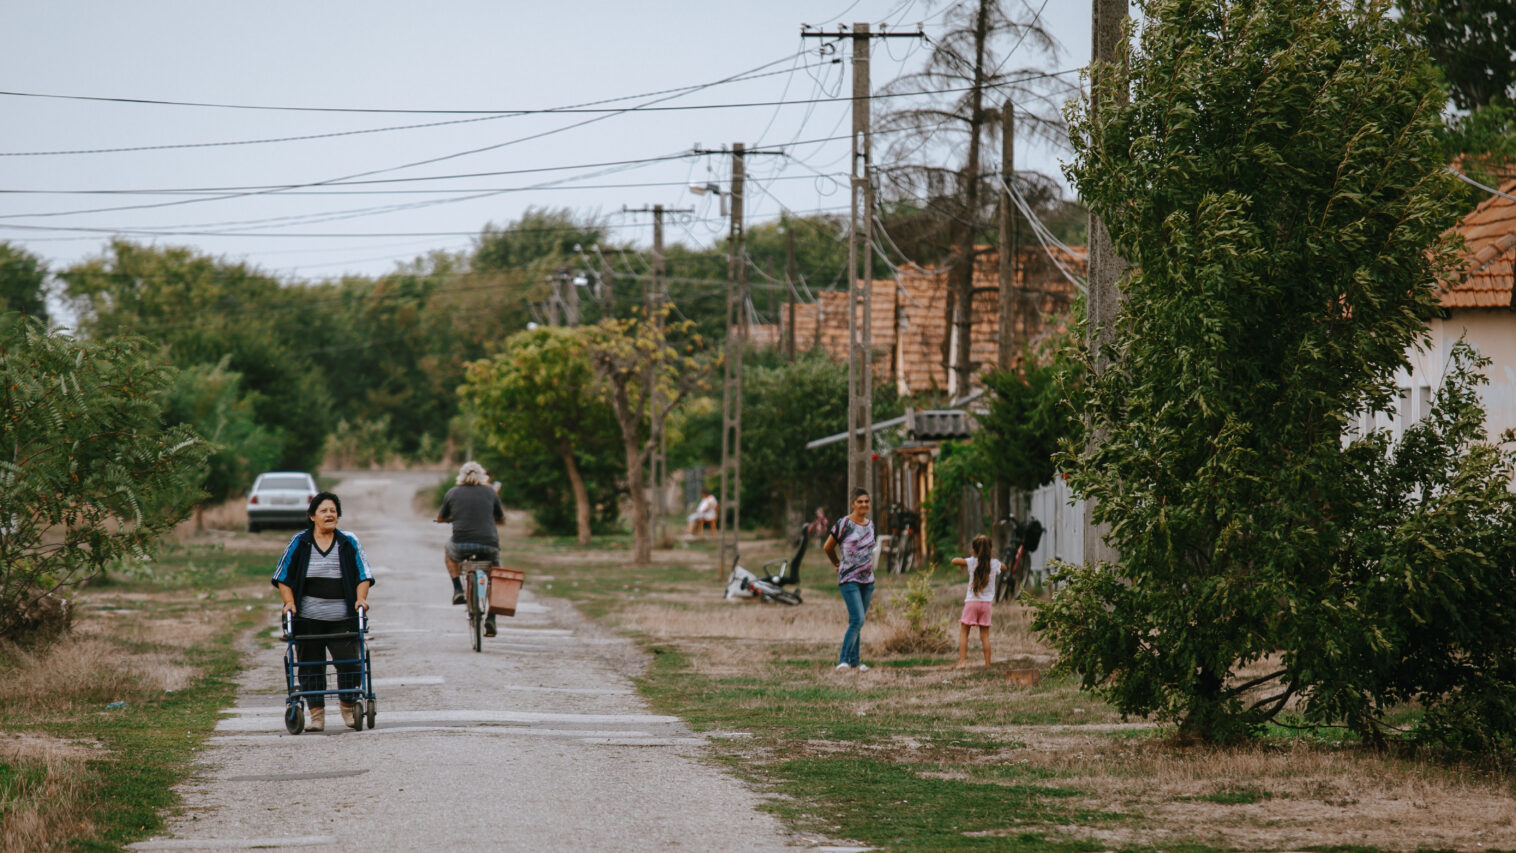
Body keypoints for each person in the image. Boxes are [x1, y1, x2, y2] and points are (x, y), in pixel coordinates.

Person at [271, 492, 375, 732]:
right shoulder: (300, 542)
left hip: (342, 618)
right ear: (312, 516)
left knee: (350, 663)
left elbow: (363, 574)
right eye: (324, 511)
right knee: (309, 665)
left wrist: (361, 599)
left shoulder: (348, 542)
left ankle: (348, 708)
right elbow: (283, 575)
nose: (330, 514)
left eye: (333, 511)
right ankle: (316, 715)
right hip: (307, 618)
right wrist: (289, 602)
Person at [436, 461, 505, 636]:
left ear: (461, 476)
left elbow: (441, 517)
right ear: (483, 475)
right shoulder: (490, 491)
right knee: (495, 576)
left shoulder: (452, 492)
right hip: (489, 545)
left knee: (448, 550)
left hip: (461, 544)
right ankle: (491, 619)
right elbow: (500, 517)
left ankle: (458, 589)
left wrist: (453, 517)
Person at [823, 487, 875, 672]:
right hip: (849, 578)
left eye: (866, 501)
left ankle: (855, 662)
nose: (863, 504)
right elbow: (827, 547)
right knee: (858, 619)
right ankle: (843, 660)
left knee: (857, 620)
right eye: (859, 501)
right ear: (853, 504)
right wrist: (837, 563)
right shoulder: (844, 523)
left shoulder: (870, 525)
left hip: (867, 581)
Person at [952, 534, 1002, 669]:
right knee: (985, 635)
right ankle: (987, 664)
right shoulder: (995, 564)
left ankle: (962, 662)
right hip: (986, 605)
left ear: (974, 550)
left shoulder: (972, 562)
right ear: (990, 550)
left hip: (972, 602)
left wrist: (968, 559)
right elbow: (1004, 567)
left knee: (964, 632)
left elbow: (954, 561)